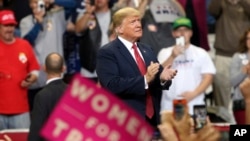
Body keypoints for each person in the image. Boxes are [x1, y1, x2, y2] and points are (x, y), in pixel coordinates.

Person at [96, 7, 177, 128]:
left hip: (152, 119)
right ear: (119, 29)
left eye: (138, 21)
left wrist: (162, 77)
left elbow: (155, 78)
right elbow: (111, 85)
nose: (138, 25)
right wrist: (145, 79)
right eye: (132, 22)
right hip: (125, 120)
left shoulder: (147, 49)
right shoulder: (108, 52)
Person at [20, 0, 76, 111]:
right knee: (39, 115)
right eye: (34, 2)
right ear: (30, 4)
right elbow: (26, 43)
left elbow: (73, 5)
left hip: (56, 75)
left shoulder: (57, 15)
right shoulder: (25, 21)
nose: (37, 5)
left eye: (39, 1)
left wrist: (53, 0)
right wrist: (38, 24)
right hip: (37, 77)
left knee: (58, 114)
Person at [157, 17, 216, 115]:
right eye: (179, 30)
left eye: (186, 30)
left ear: (191, 33)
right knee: (170, 130)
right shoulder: (165, 52)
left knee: (198, 130)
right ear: (173, 33)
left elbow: (208, 77)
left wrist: (194, 94)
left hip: (196, 105)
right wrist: (173, 56)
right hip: (169, 107)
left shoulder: (201, 53)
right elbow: (158, 75)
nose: (182, 33)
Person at [208, 0, 250, 124]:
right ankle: (224, 126)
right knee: (221, 95)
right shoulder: (221, 3)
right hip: (223, 54)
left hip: (245, 54)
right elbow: (212, 10)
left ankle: (242, 130)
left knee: (244, 96)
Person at [0, 9, 40, 130]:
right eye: (6, 25)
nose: (9, 29)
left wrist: (31, 79)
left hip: (21, 110)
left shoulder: (24, 45)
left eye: (11, 25)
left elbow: (35, 70)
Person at [28, 52, 67, 141]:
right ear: (63, 69)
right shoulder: (72, 92)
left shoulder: (42, 96)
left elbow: (36, 129)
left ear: (44, 68)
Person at [76, 0, 112, 83]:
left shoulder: (116, 15)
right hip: (90, 71)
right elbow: (78, 30)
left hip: (111, 69)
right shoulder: (85, 15)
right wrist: (88, 13)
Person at [230, 28, 250, 124]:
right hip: (241, 103)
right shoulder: (237, 57)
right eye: (248, 38)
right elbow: (232, 81)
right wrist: (244, 71)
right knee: (240, 133)